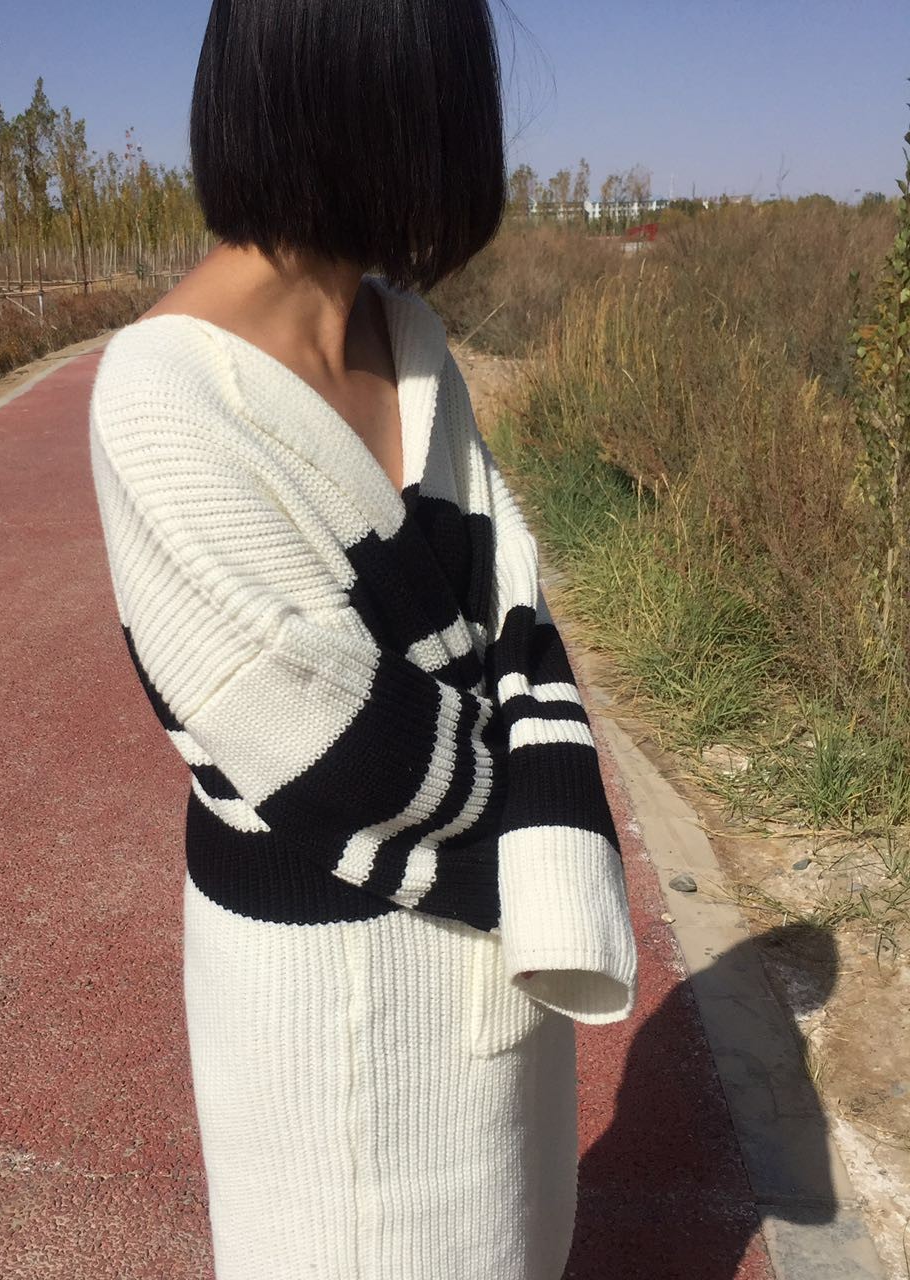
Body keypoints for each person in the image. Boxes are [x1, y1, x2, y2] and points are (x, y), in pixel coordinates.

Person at [86, 1, 639, 1276]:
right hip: (325, 1001)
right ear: (378, 92)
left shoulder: (412, 339)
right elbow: (316, 736)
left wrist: (518, 766)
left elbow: (513, 591)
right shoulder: (164, 393)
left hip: (489, 958)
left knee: (512, 1238)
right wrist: (546, 807)